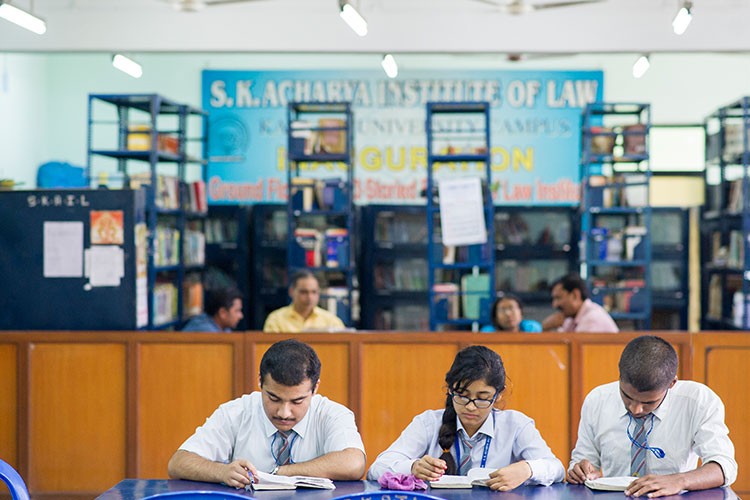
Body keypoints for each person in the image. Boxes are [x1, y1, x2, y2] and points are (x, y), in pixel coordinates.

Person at [167, 339, 366, 487]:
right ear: (260, 381)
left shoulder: (333, 414)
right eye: (273, 398)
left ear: (315, 389)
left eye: (297, 401)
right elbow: (178, 463)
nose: (284, 413)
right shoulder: (235, 412)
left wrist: (279, 474)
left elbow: (354, 463)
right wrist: (222, 471)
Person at [367, 345, 564, 491]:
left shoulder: (516, 425)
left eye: (483, 399)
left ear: (498, 395)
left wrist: (527, 469)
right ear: (450, 389)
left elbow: (556, 468)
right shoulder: (428, 423)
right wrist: (412, 467)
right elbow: (377, 468)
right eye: (462, 396)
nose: (470, 407)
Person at [568, 335, 737, 497]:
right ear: (619, 376)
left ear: (672, 384)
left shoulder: (698, 401)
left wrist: (678, 480)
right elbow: (583, 461)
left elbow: (724, 467)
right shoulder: (597, 400)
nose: (635, 409)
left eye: (648, 403)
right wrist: (580, 470)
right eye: (627, 397)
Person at [263, 270, 345, 332]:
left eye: (314, 292)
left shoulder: (331, 321)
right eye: (304, 292)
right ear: (291, 291)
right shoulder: (276, 320)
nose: (310, 297)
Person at [541, 273, 618, 332]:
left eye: (558, 298)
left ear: (575, 295)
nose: (555, 305)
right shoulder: (571, 319)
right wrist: (545, 327)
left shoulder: (592, 319)